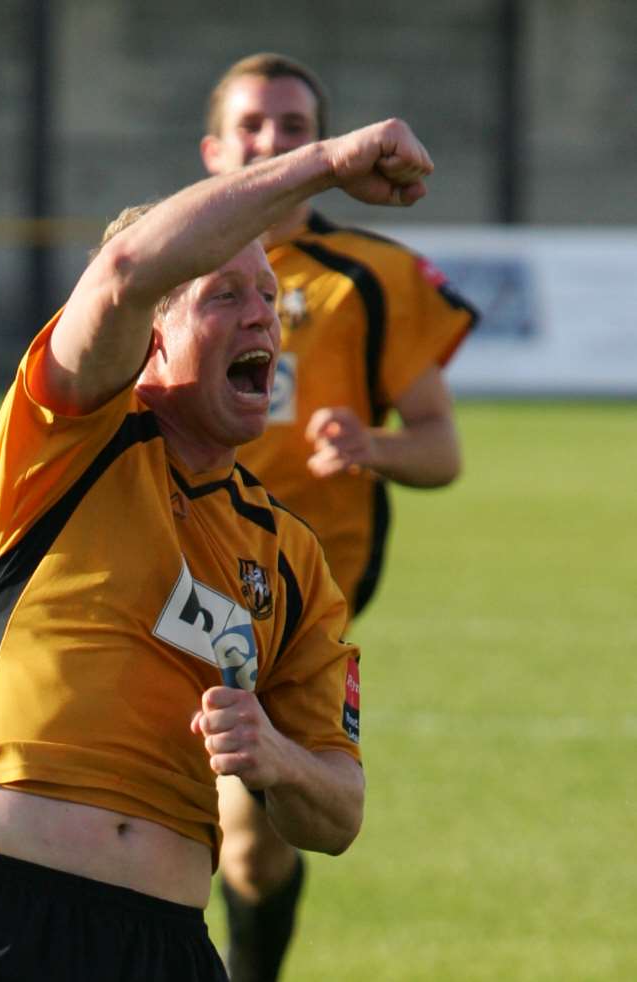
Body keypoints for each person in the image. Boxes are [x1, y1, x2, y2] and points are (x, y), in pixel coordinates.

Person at [0, 115, 437, 982]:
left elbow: (338, 810)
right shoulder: (69, 439)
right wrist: (322, 163)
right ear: (149, 339)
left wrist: (278, 760)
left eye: (266, 297)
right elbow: (128, 269)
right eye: (223, 296)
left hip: (165, 947)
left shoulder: (290, 556)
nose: (264, 318)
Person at [199, 53, 478, 982]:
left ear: (321, 145)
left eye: (290, 125)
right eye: (250, 125)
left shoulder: (371, 276)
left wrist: (371, 445)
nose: (268, 141)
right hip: (160, 567)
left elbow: (440, 449)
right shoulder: (171, 263)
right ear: (211, 148)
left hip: (290, 602)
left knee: (251, 841)